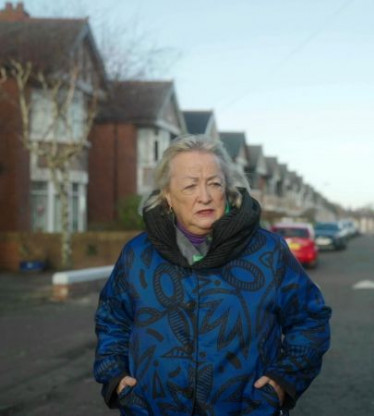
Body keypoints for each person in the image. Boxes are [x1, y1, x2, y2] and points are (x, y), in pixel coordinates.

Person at [94, 135, 331, 415]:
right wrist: (116, 376)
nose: (204, 196)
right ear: (168, 196)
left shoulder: (269, 252)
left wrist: (283, 380)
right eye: (190, 185)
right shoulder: (137, 254)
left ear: (227, 189)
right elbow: (112, 319)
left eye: (214, 183)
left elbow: (310, 319)